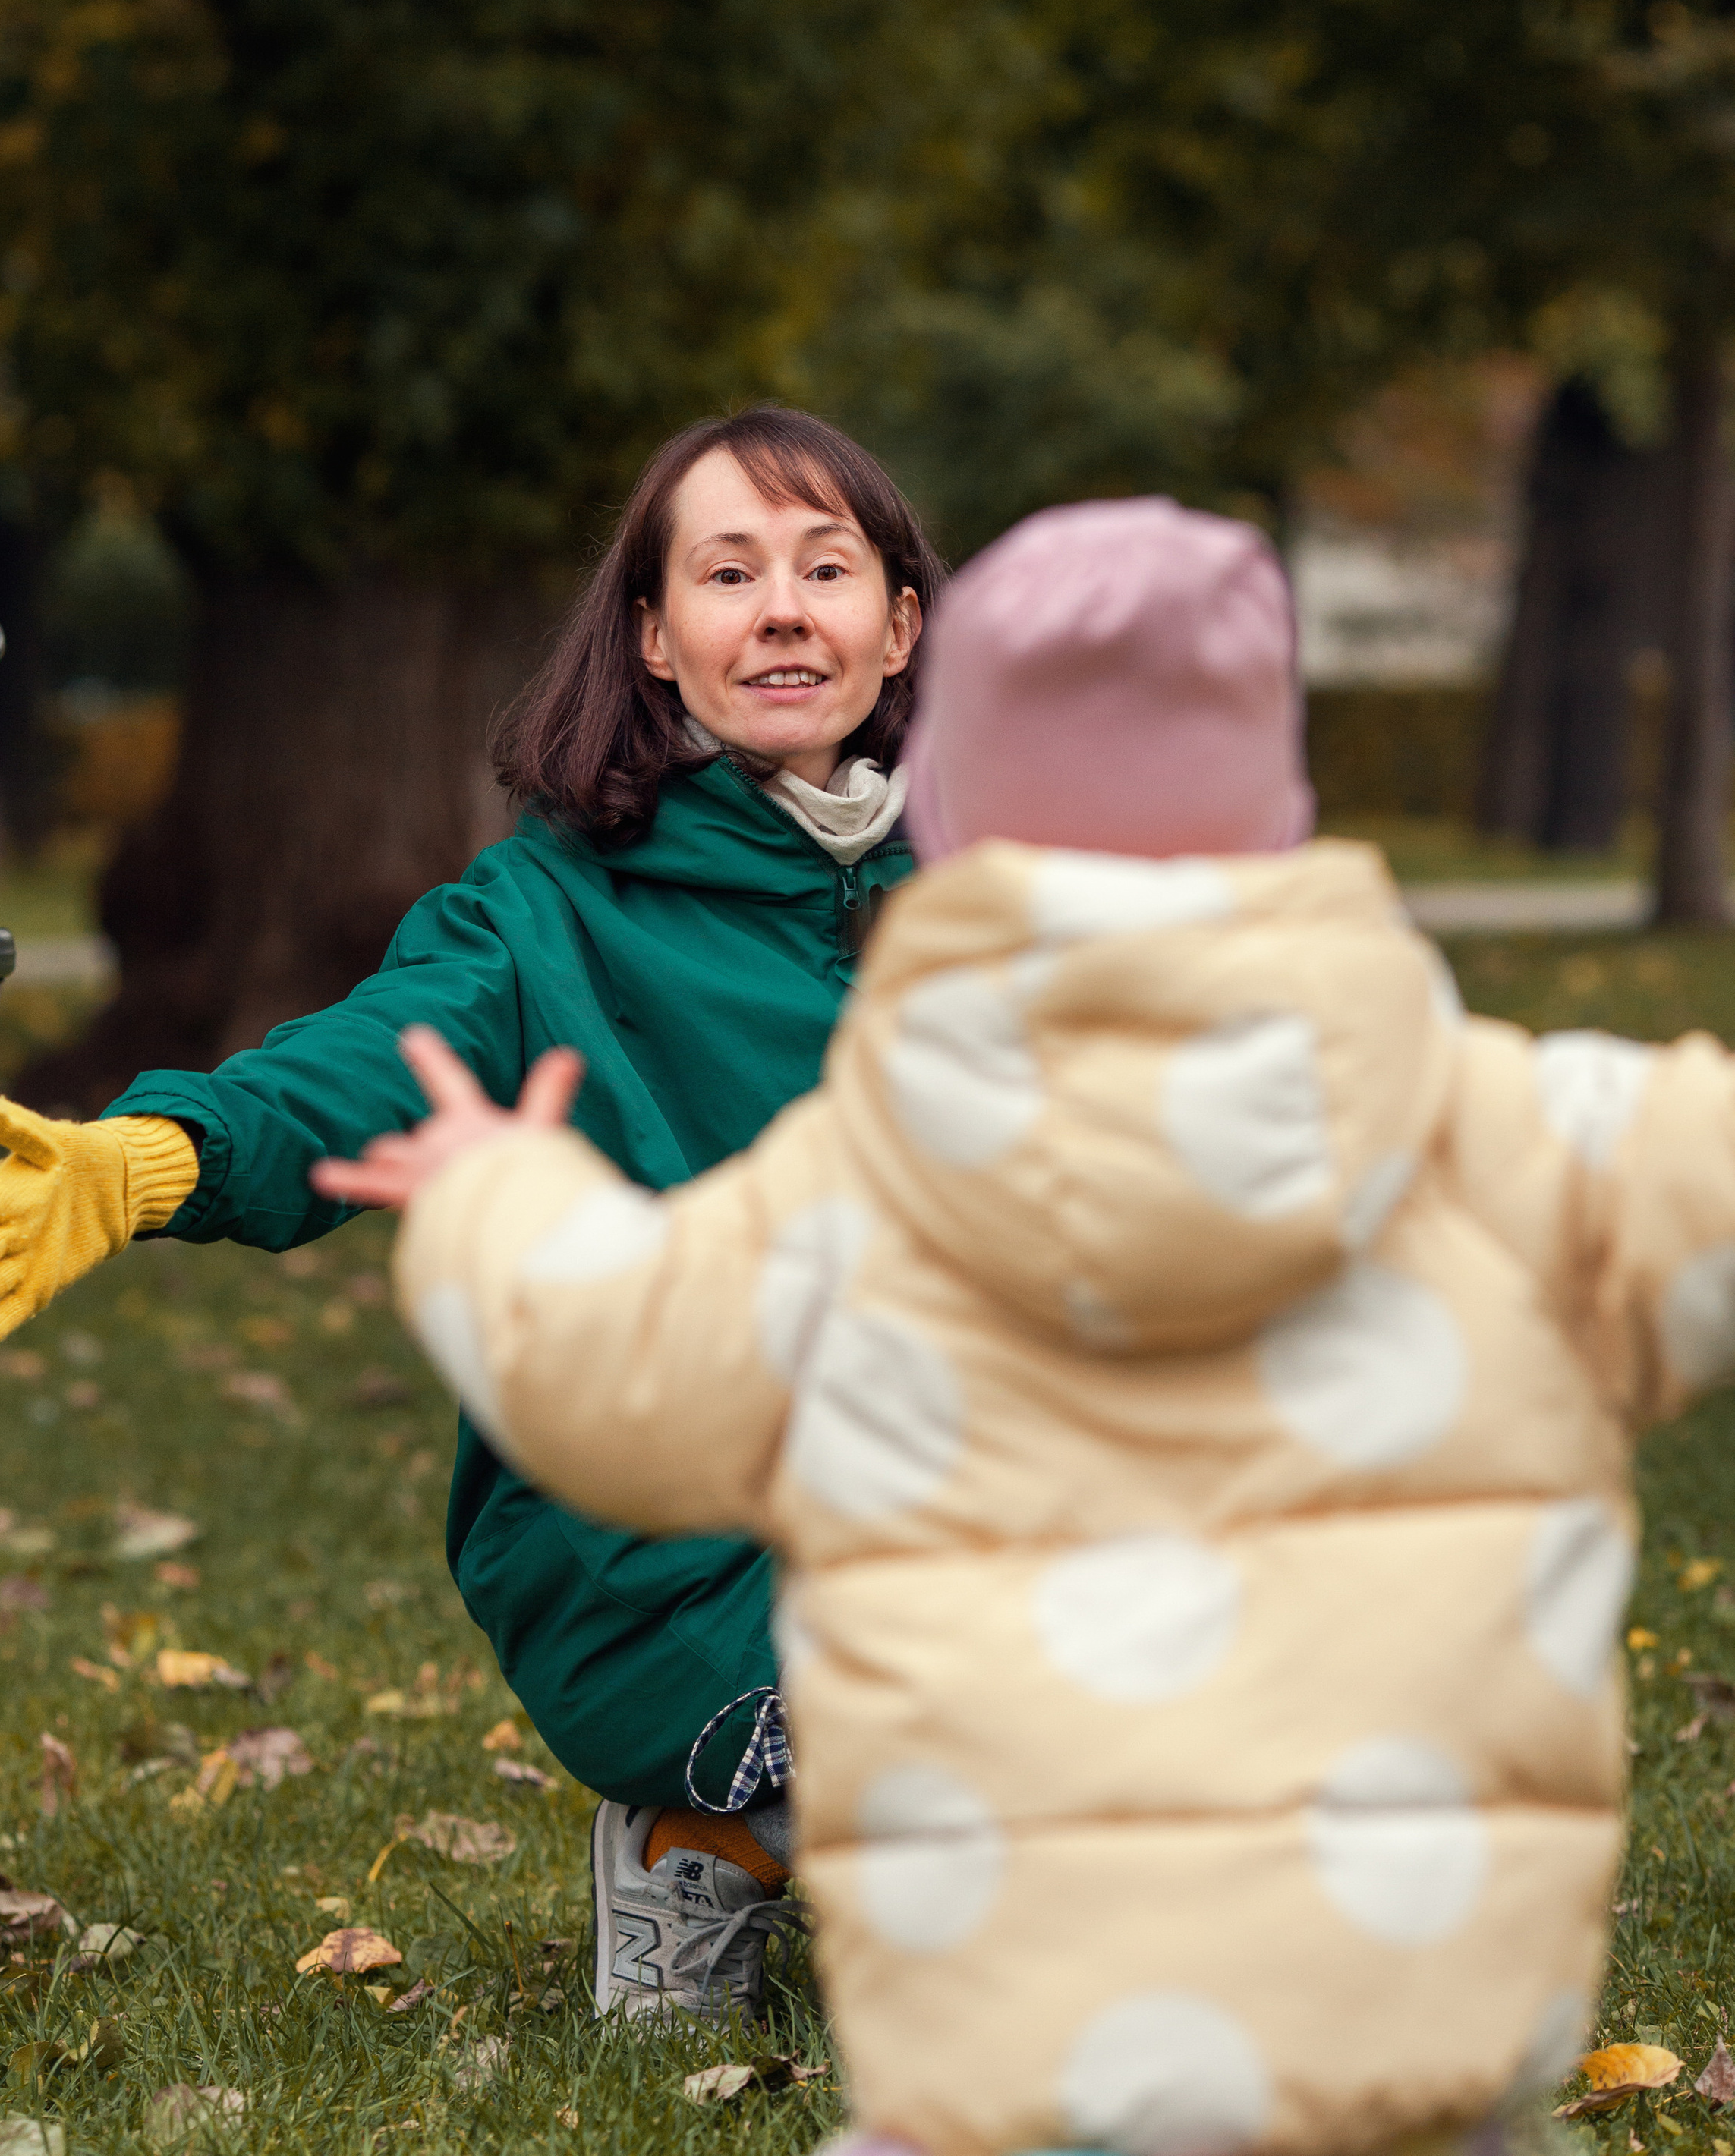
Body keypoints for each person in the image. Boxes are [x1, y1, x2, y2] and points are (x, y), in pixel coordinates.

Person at [316, 491, 1735, 2156]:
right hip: (1412, 2048)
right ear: (1277, 795)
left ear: (954, 797)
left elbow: (597, 1357)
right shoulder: (1508, 1134)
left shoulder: (864, 1187)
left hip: (998, 2061)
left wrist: (495, 1201)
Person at [0, 405, 943, 2027]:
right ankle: (708, 1831)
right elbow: (353, 1072)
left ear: (897, 623)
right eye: (728, 571)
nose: (781, 613)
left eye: (827, 569)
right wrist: (150, 1158)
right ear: (654, 638)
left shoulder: (988, 914)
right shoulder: (542, 914)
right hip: (655, 1538)